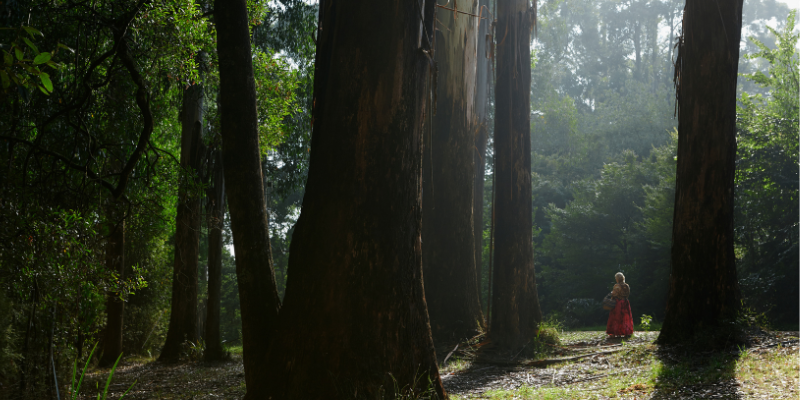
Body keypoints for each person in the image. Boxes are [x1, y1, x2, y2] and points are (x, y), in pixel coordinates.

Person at [606, 272, 633, 337]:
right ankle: (626, 332)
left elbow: (614, 295)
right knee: (625, 317)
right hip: (625, 302)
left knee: (616, 317)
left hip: (618, 303)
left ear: (617, 279)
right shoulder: (627, 286)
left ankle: (616, 332)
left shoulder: (616, 286)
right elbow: (628, 294)